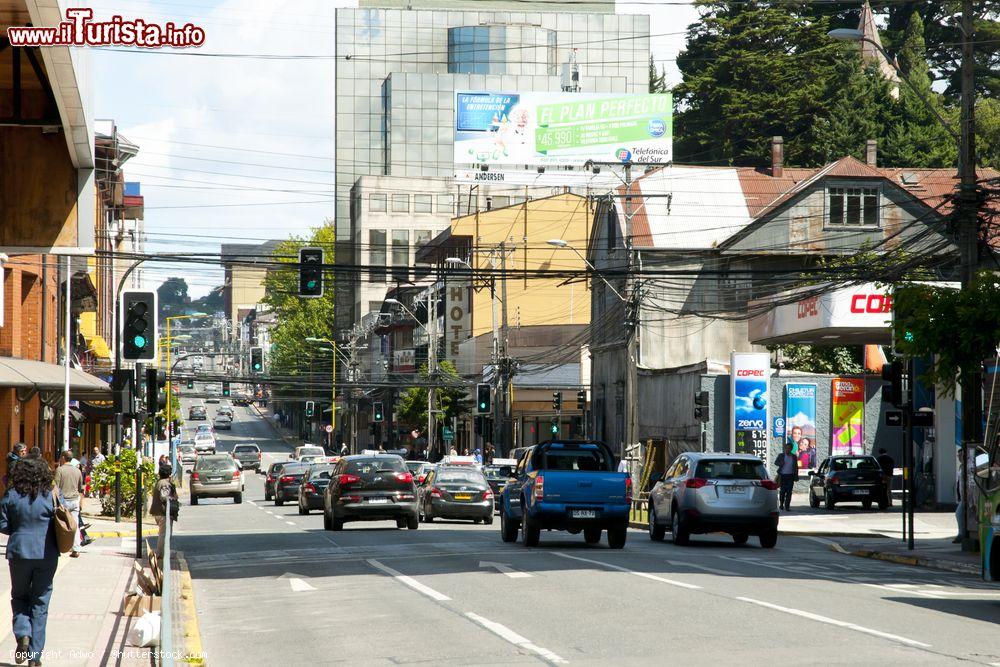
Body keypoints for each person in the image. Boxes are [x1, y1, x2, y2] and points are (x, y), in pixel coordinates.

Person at [0, 457, 60, 666]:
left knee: (19, 596)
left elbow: (3, 525)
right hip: (46, 553)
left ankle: (23, 634)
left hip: (18, 553)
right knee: (40, 601)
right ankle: (35, 656)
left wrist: (19, 531)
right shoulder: (50, 495)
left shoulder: (11, 495)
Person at [53, 450, 84, 558]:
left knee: (59, 525)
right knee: (74, 525)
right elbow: (81, 488)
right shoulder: (77, 471)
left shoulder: (59, 470)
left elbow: (55, 487)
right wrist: (81, 502)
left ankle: (59, 548)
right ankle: (76, 549)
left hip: (63, 501)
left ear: (63, 458)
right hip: (75, 500)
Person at [149, 462, 179, 563]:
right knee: (164, 534)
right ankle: (161, 553)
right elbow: (164, 497)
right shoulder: (165, 484)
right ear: (169, 474)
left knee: (164, 533)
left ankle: (163, 552)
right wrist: (173, 498)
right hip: (163, 512)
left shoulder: (160, 482)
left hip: (160, 512)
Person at [774, 442, 799, 511]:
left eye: (789, 448)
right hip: (782, 475)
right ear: (785, 448)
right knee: (782, 491)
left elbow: (796, 467)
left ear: (791, 449)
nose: (787, 450)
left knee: (789, 491)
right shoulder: (781, 455)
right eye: (786, 448)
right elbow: (776, 462)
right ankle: (781, 504)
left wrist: (796, 476)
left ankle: (787, 506)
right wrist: (780, 463)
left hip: (790, 476)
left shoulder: (794, 457)